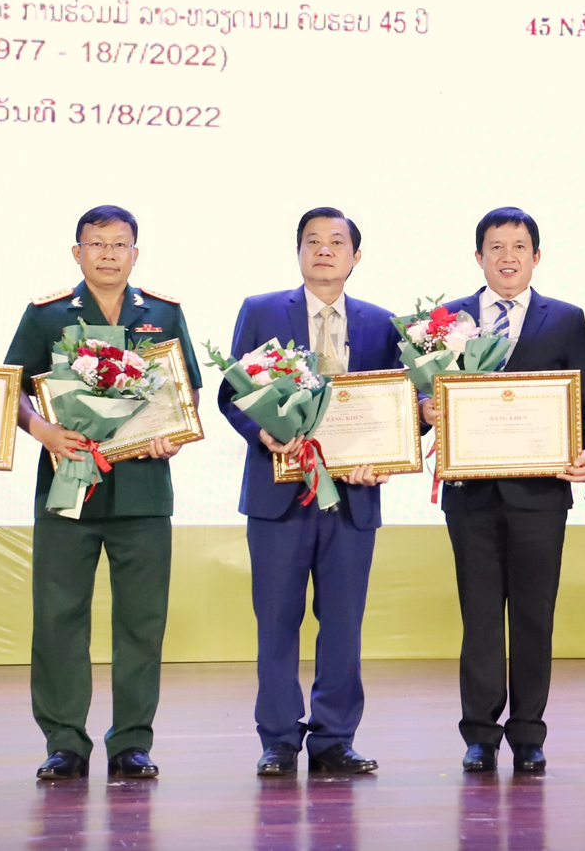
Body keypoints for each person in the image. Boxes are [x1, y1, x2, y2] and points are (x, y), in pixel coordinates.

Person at [4, 204, 203, 781]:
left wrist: (173, 438)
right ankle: (64, 741)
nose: (109, 254)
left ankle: (131, 742)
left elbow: (184, 389)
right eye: (97, 244)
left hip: (142, 490)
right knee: (58, 615)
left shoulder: (162, 313)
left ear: (135, 254)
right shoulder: (46, 315)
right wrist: (41, 429)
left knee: (142, 620)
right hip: (68, 487)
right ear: (78, 252)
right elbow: (10, 388)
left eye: (120, 245)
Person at [219, 208, 405, 778]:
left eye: (336, 242)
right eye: (312, 241)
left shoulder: (381, 323)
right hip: (279, 495)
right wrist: (262, 432)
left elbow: (396, 408)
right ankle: (277, 739)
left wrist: (392, 451)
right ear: (298, 251)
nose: (324, 250)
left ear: (355, 255)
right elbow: (231, 394)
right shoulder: (261, 310)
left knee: (343, 622)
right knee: (276, 620)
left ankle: (333, 738)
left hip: (352, 497)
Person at [426, 207, 585, 775]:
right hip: (471, 495)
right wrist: (426, 412)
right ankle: (479, 734)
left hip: (540, 496)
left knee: (534, 616)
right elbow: (427, 400)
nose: (508, 256)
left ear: (536, 256)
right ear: (478, 256)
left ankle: (528, 732)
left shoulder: (567, 319)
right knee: (479, 618)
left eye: (519, 246)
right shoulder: (445, 319)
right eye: (496, 247)